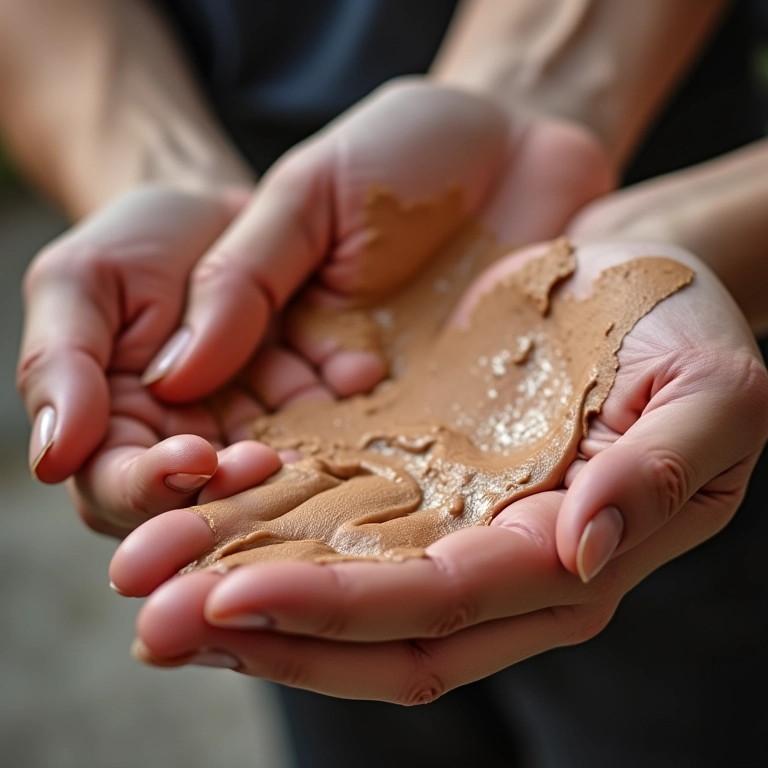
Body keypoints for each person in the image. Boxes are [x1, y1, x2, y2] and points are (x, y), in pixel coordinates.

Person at [1, 0, 767, 765]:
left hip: (638, 358)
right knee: (320, 645)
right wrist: (156, 175)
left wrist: (672, 244)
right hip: (277, 259)